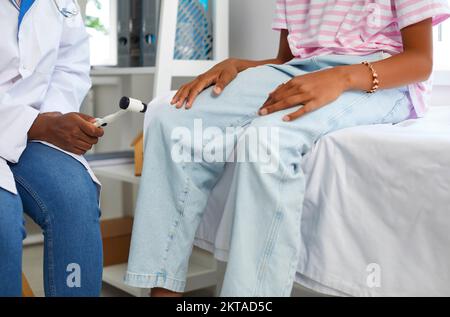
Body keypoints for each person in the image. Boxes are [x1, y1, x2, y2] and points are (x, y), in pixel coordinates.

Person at [125, 0, 450, 296]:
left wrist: (340, 78)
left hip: (380, 77)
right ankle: (162, 289)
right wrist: (240, 65)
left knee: (266, 139)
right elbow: (287, 60)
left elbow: (420, 61)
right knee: (172, 118)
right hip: (305, 69)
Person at [0, 0, 104, 297]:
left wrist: (54, 119)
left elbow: (69, 67)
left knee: (75, 196)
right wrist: (37, 124)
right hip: (24, 124)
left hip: (33, 127)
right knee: (2, 222)